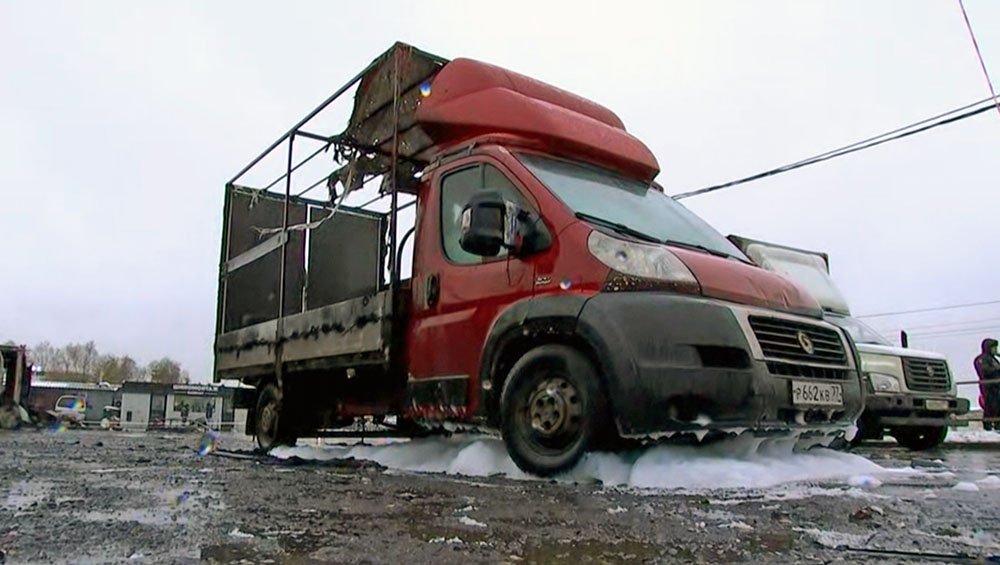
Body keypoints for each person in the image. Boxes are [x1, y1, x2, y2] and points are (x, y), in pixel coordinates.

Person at [974, 338, 1000, 431]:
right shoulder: (981, 359)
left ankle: (998, 424)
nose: (996, 350)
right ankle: (988, 425)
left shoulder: (994, 359)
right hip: (988, 386)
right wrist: (997, 369)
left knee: (998, 406)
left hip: (997, 386)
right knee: (990, 405)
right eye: (994, 348)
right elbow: (985, 371)